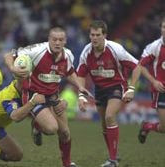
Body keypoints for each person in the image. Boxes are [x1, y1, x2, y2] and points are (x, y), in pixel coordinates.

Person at [4, 27, 90, 167]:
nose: (57, 42)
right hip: (34, 95)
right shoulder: (37, 51)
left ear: (65, 41)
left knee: (65, 133)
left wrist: (79, 86)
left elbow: (70, 72)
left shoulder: (68, 55)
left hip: (53, 96)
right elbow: (8, 55)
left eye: (61, 40)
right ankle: (36, 124)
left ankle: (67, 164)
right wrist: (13, 68)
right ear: (49, 40)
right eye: (54, 39)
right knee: (51, 129)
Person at [76, 20, 138, 167]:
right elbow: (80, 74)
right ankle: (114, 155)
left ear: (105, 35)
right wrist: (81, 95)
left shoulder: (116, 49)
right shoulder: (86, 51)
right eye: (92, 34)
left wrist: (131, 88)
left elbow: (137, 66)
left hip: (116, 86)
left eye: (98, 35)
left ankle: (112, 161)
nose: (94, 38)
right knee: (104, 125)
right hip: (99, 89)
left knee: (110, 116)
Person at [126, 17, 165, 144]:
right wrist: (154, 81)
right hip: (161, 90)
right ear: (161, 29)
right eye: (164, 27)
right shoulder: (155, 47)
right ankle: (147, 126)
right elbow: (140, 66)